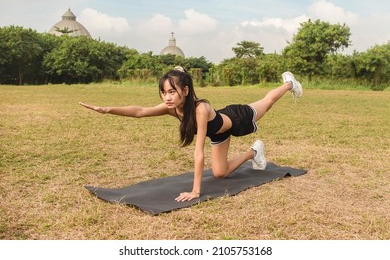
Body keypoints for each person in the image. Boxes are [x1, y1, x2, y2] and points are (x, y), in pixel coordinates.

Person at [79, 66, 302, 202]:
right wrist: (108, 109)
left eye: (172, 92)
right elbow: (139, 111)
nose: (167, 97)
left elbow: (198, 153)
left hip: (237, 118)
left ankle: (289, 83)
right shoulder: (172, 108)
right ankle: (254, 152)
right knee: (219, 174)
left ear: (185, 92)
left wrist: (196, 190)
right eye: (164, 92)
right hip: (220, 134)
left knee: (268, 102)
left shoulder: (200, 109)